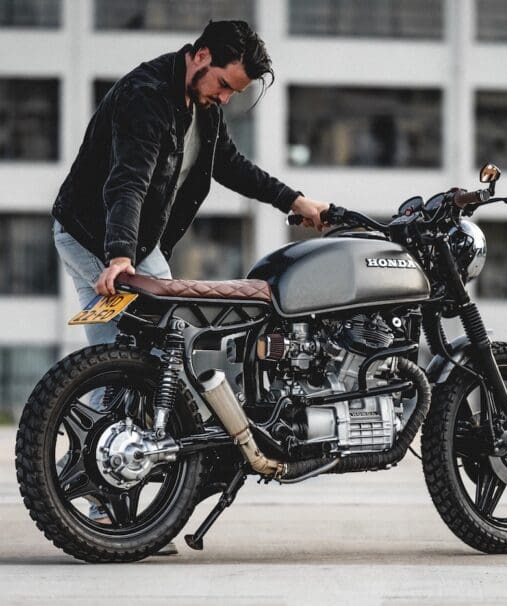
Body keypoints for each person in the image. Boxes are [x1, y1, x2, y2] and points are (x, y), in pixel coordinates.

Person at [51, 19, 329, 551]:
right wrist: (118, 255)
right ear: (200, 56)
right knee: (171, 344)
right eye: (224, 84)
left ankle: (112, 500)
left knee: (122, 365)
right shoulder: (146, 96)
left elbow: (229, 165)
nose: (224, 98)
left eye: (234, 93)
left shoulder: (203, 107)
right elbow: (127, 179)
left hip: (133, 242)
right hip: (94, 235)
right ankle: (168, 480)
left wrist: (295, 201)